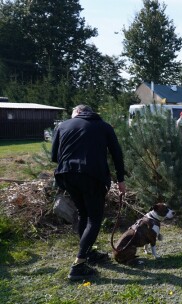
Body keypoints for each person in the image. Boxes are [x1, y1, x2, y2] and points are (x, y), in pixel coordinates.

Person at [51, 105, 126, 280]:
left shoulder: (62, 126)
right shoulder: (104, 126)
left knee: (83, 214)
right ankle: (78, 265)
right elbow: (117, 154)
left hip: (66, 175)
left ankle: (88, 254)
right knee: (94, 218)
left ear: (76, 113)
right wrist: (120, 180)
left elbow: (55, 156)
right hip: (92, 176)